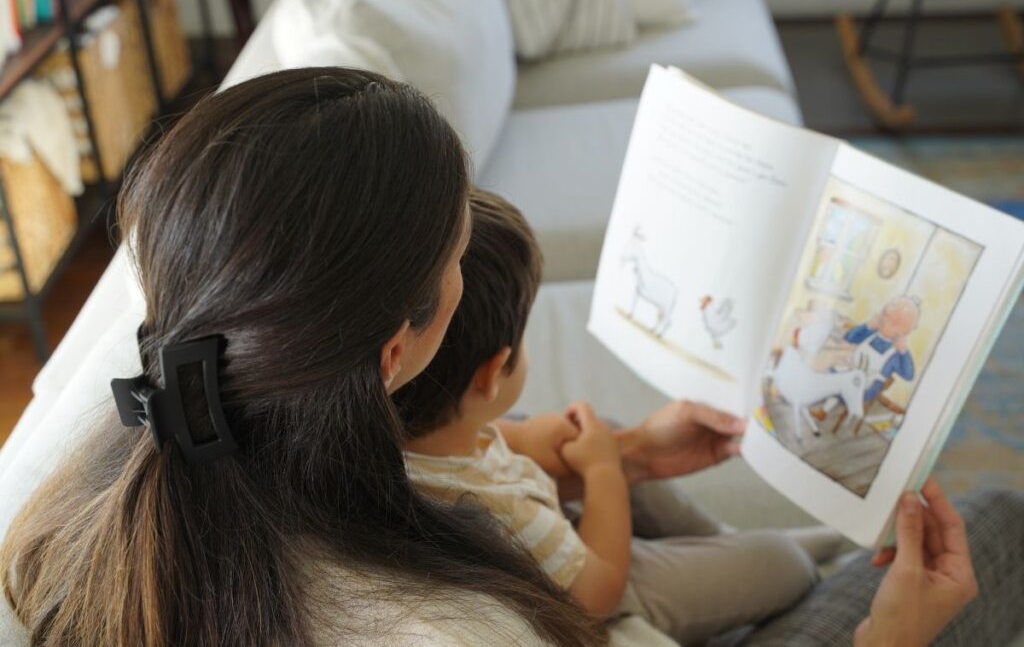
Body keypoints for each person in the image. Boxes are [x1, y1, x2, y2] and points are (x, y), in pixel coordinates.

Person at [0, 68, 1014, 646]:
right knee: (999, 522)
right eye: (453, 257)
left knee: (822, 548)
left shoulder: (141, 462)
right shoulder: (455, 625)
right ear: (394, 351)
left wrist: (627, 455)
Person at [396, 188, 841, 644]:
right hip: (597, 589)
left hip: (554, 534)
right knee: (781, 562)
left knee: (601, 432)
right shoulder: (504, 516)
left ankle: (720, 538)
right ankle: (769, 554)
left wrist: (532, 436)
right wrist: (603, 468)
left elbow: (494, 441)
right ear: (492, 374)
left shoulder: (402, 432)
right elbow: (599, 591)